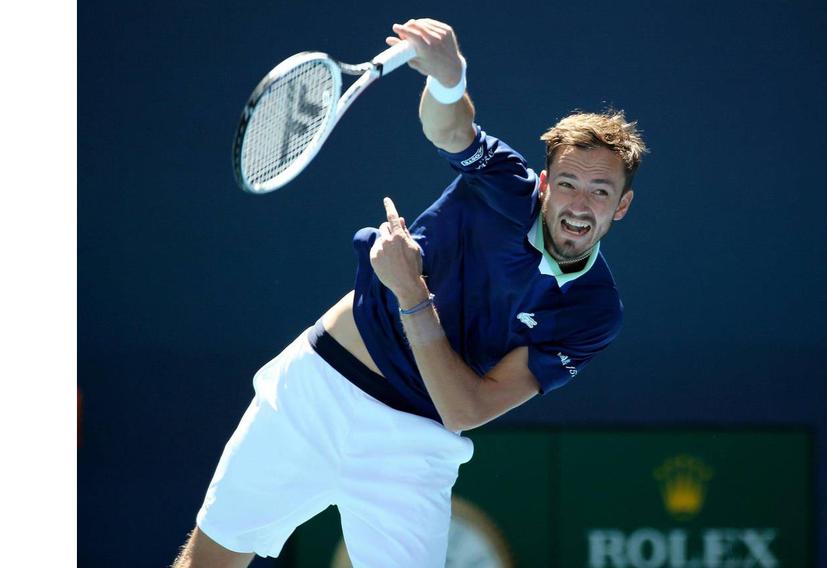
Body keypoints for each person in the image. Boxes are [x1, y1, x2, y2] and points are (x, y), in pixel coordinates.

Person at [172, 17, 647, 568]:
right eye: (566, 184)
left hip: (414, 445)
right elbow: (451, 131)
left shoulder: (595, 310)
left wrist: (410, 292)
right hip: (316, 389)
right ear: (543, 186)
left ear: (621, 206)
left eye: (599, 191)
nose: (579, 204)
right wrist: (448, 80)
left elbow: (464, 407)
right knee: (209, 562)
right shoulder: (504, 186)